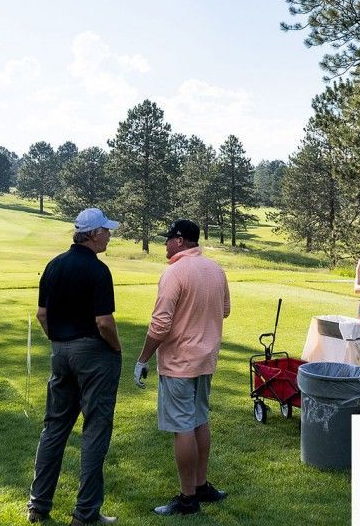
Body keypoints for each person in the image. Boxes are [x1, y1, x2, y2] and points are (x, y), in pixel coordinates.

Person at [28, 208, 123, 525]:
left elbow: (43, 315)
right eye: (106, 231)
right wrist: (116, 347)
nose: (110, 235)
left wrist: (58, 341)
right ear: (94, 234)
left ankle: (38, 505)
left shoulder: (54, 265)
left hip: (61, 352)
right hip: (93, 354)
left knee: (54, 427)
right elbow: (104, 322)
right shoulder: (98, 271)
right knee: (95, 429)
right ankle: (86, 513)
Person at [134, 219, 232, 516]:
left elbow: (160, 323)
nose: (165, 244)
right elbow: (224, 310)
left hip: (179, 362)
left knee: (183, 427)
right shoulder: (215, 269)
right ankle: (201, 486)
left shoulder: (175, 272)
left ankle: (188, 498)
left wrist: (142, 359)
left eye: (168, 240)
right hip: (206, 360)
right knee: (200, 419)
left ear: (179, 241)